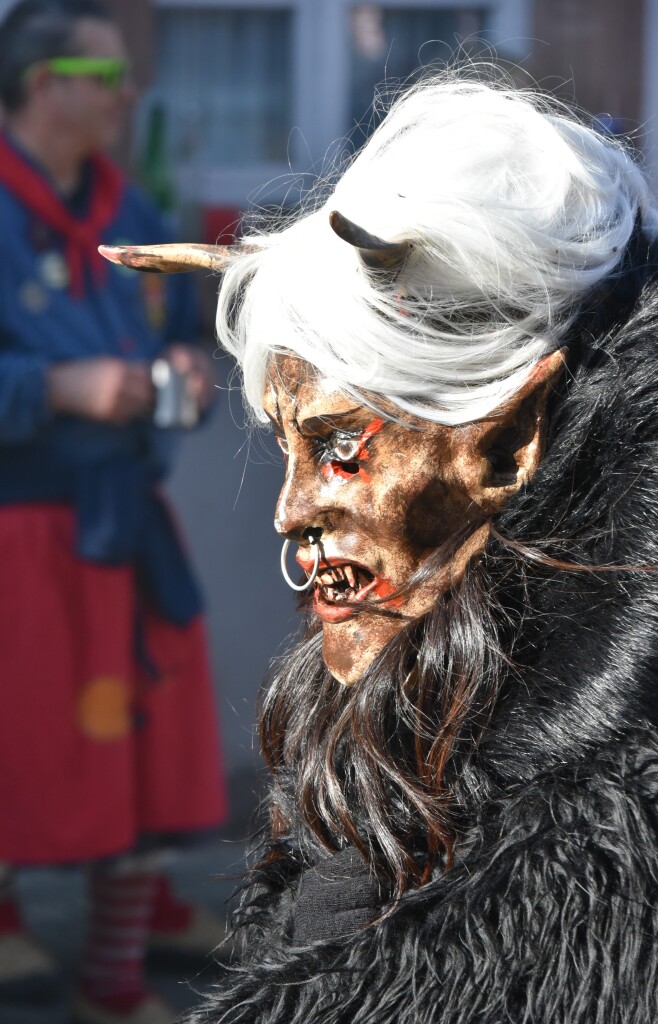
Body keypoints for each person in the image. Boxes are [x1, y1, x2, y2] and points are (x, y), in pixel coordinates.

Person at [103, 74, 658, 1023]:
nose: (290, 512)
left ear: (505, 437)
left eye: (339, 448)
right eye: (284, 447)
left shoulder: (623, 833)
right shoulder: (414, 653)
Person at [0, 2, 226, 1022]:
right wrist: (56, 387)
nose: (127, 93)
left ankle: (116, 974)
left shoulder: (127, 209)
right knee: (34, 744)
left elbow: (180, 321)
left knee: (141, 741)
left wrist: (186, 365)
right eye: (108, 72)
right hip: (23, 531)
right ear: (47, 83)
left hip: (126, 522)